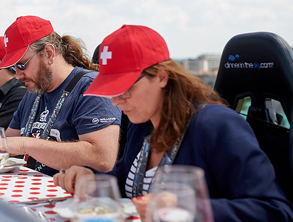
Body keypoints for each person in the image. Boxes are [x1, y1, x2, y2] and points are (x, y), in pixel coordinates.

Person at [53, 25, 293, 221]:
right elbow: (126, 179)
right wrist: (91, 179)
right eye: (111, 92)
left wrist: (189, 209)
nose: (116, 102)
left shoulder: (216, 125)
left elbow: (274, 210)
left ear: (161, 76)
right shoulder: (142, 123)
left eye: (125, 89)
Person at [0, 15, 121, 176]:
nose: (18, 75)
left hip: (75, 197)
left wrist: (25, 144)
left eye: (22, 65)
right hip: (35, 194)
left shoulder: (90, 87)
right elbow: (6, 145)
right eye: (14, 68)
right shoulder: (34, 91)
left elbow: (103, 157)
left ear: (49, 53)